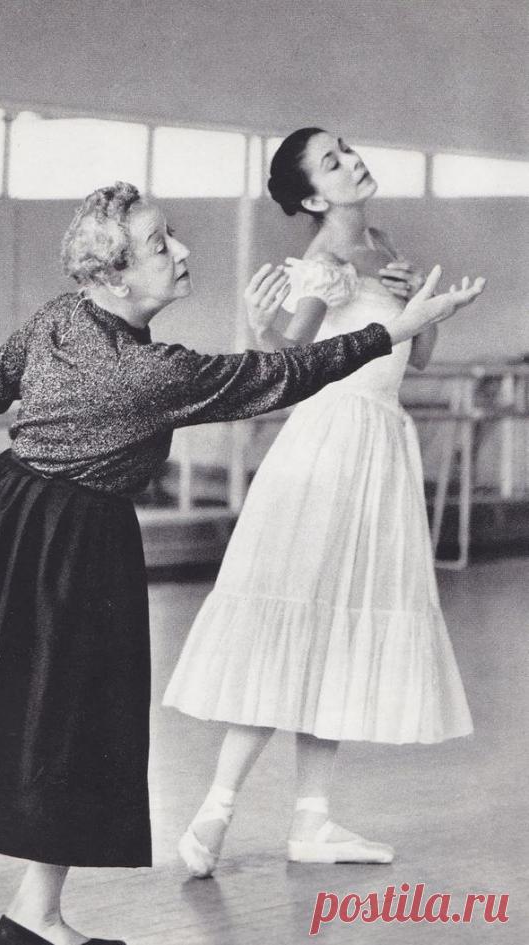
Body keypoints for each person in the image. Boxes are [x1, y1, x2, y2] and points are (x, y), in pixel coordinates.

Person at [0, 180, 483, 944]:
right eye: (162, 243)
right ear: (115, 274)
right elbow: (278, 377)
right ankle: (30, 910)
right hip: (66, 539)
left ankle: (36, 915)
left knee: (45, 716)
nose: (182, 249)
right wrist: (396, 330)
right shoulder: (153, 374)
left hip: (7, 518)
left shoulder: (63, 317)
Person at [163, 129, 483, 877]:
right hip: (329, 444)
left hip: (382, 445)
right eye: (332, 163)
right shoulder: (323, 263)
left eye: (347, 149)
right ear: (311, 197)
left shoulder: (382, 240)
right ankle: (214, 810)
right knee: (296, 616)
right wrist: (258, 321)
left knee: (341, 623)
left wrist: (428, 306)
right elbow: (291, 363)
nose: (352, 161)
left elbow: (418, 355)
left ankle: (312, 818)